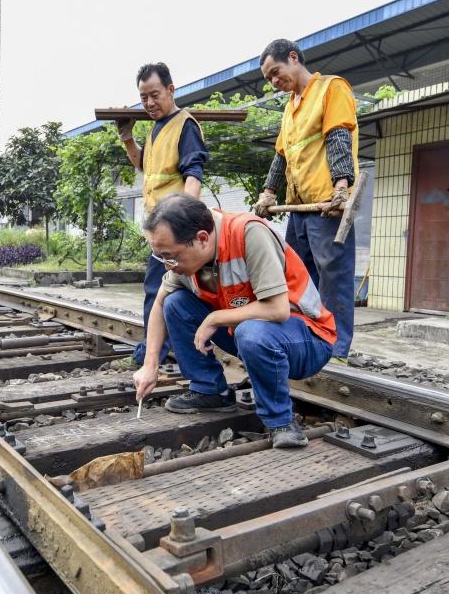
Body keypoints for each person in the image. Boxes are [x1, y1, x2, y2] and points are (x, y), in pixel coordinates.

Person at [133, 193, 335, 448]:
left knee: (251, 332)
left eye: (170, 257)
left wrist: (216, 317)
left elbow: (278, 310)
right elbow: (160, 303)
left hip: (307, 338)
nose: (168, 266)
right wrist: (151, 364)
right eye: (162, 257)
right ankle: (210, 392)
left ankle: (280, 422)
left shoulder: (248, 234)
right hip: (249, 331)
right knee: (175, 304)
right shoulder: (185, 259)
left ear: (202, 239)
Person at [253, 39, 358, 360]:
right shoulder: (291, 106)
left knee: (333, 275)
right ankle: (307, 336)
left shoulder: (331, 89)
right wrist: (268, 193)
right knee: (297, 275)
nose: (274, 81)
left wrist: (342, 186)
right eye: (268, 77)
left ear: (294, 58)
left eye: (276, 72)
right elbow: (281, 156)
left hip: (326, 205)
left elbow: (338, 136)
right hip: (299, 207)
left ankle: (336, 346)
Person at [116, 62, 209, 366]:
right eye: (143, 98)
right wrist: (128, 138)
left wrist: (186, 225)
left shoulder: (185, 125)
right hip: (160, 230)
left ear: (171, 89)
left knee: (160, 291)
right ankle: (166, 352)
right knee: (163, 291)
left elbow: (194, 174)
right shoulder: (156, 129)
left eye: (154, 95)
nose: (149, 103)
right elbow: (145, 167)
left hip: (175, 230)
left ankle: (154, 354)